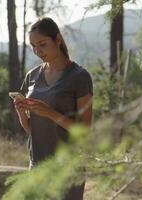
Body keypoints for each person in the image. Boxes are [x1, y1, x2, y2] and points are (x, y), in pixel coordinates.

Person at [13, 17, 93, 200]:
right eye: (33, 46)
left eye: (42, 44)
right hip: (38, 166)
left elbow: (84, 131)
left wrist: (50, 113)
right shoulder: (32, 76)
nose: (37, 51)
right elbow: (32, 129)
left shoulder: (79, 77)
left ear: (58, 40)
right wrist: (20, 110)